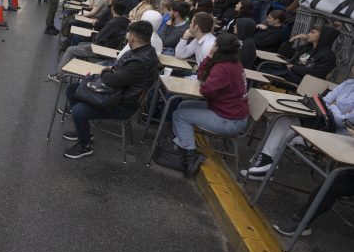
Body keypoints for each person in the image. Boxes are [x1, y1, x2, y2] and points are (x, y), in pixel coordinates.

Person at [62, 21, 160, 158]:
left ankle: (85, 145)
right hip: (119, 94)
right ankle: (83, 130)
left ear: (132, 37)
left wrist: (105, 71)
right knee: (73, 89)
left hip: (122, 103)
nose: (126, 37)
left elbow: (112, 81)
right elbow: (117, 72)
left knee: (79, 110)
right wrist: (110, 72)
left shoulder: (139, 62)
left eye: (128, 34)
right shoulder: (146, 51)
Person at [243, 65, 354, 183]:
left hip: (337, 137)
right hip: (321, 124)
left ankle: (264, 164)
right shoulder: (348, 83)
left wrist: (332, 107)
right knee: (281, 119)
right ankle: (265, 163)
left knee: (282, 126)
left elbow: (344, 122)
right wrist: (335, 107)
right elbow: (324, 101)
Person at [171, 33, 250, 177]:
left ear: (218, 47)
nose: (212, 46)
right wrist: (209, 57)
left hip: (230, 119)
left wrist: (209, 58)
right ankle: (183, 146)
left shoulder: (223, 68)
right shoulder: (234, 63)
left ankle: (190, 156)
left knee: (179, 115)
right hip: (229, 112)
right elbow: (202, 77)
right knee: (184, 105)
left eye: (214, 44)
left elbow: (206, 90)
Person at [49, 0, 130, 82]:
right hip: (111, 49)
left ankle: (60, 76)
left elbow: (99, 37)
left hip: (103, 49)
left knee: (70, 50)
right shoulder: (125, 21)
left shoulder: (113, 22)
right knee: (80, 44)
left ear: (112, 8)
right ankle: (75, 71)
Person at [260, 25, 340, 84]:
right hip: (290, 73)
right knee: (264, 65)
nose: (308, 34)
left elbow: (315, 73)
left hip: (303, 81)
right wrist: (293, 39)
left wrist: (293, 67)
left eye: (312, 32)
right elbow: (283, 53)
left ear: (323, 36)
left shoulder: (328, 56)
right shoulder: (308, 47)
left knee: (266, 71)